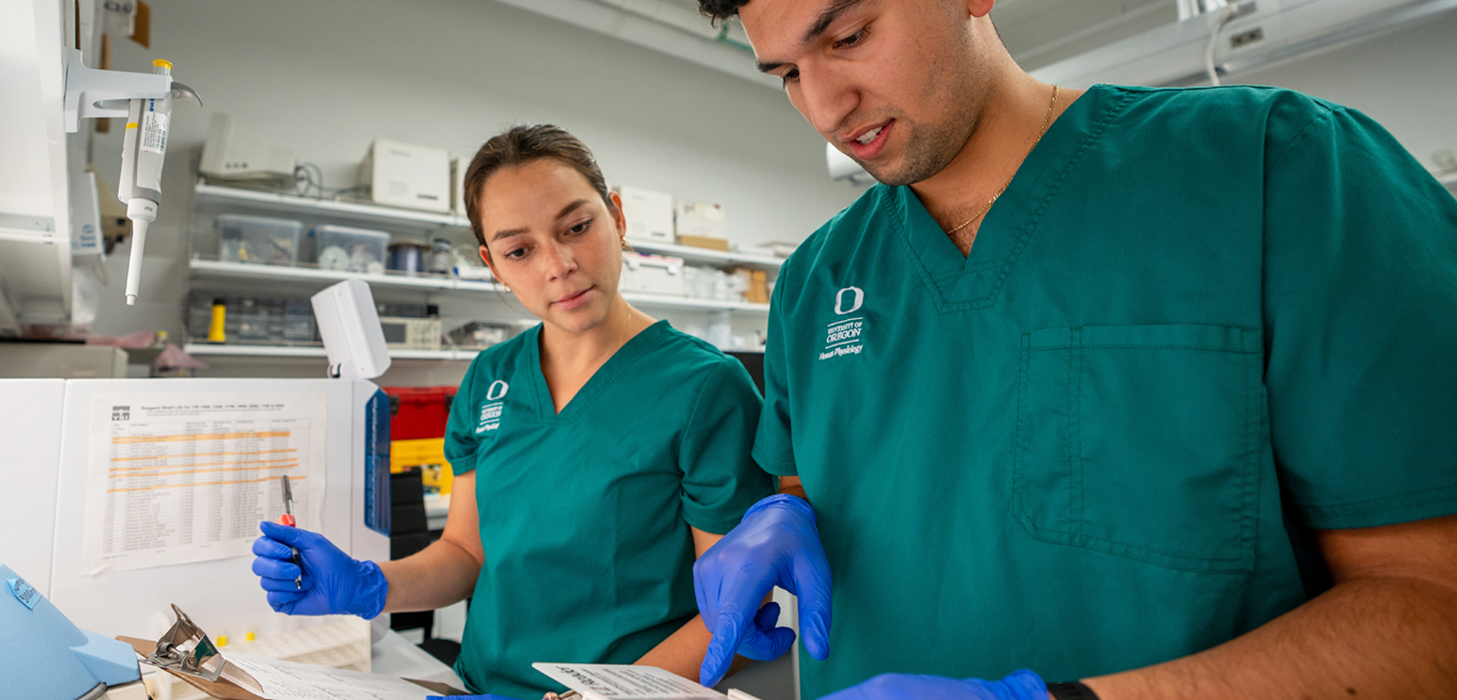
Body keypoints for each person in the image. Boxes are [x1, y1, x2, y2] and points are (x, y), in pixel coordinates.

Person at [684, 0, 1457, 699]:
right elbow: (825, 481)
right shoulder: (816, 281)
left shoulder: (1279, 170)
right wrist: (782, 516)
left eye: (848, 37)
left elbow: (1433, 605)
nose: (824, 106)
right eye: (786, 73)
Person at [252, 125, 774, 698]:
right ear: (492, 264)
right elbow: (465, 552)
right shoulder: (490, 377)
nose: (558, 265)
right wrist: (366, 585)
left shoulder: (705, 387)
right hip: (478, 686)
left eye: (577, 227)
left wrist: (599, 698)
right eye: (519, 250)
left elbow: (732, 612)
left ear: (617, 218)